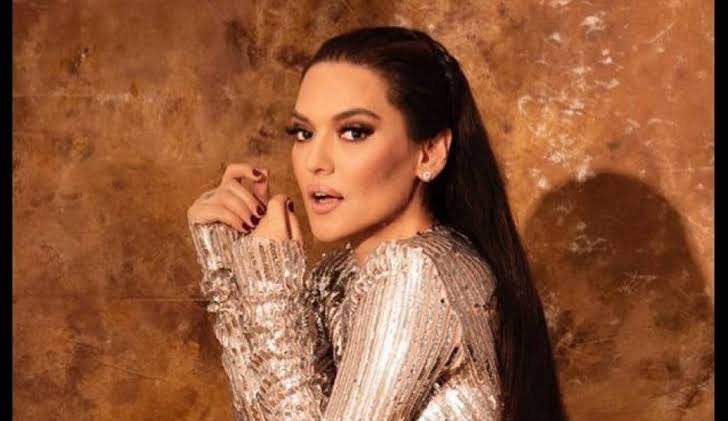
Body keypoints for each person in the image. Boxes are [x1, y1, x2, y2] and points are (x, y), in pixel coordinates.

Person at [187, 26, 567, 421]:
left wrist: (268, 286)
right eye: (304, 132)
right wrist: (223, 254)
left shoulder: (414, 274)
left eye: (354, 132)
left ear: (430, 153)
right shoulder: (339, 276)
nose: (316, 161)